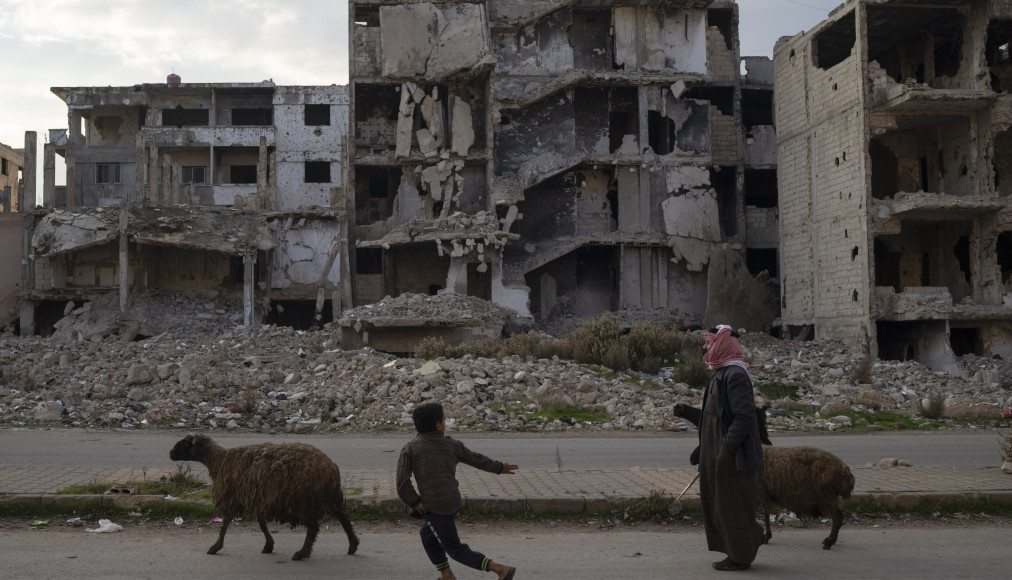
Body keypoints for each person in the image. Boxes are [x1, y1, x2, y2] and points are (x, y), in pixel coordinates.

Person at [397, 402, 518, 580]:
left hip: (434, 507)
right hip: (451, 501)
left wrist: (414, 501)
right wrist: (499, 467)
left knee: (455, 550)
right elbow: (477, 459)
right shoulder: (451, 445)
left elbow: (402, 482)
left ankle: (500, 569)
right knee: (427, 534)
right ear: (438, 425)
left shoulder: (410, 449)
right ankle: (446, 574)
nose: (445, 423)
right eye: (444, 420)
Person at [697, 325, 765, 571]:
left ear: (721, 345)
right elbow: (713, 417)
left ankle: (741, 556)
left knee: (732, 507)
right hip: (715, 453)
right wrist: (702, 448)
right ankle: (740, 545)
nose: (705, 347)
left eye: (709, 342)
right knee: (719, 505)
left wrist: (726, 451)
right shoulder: (720, 374)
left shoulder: (735, 375)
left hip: (733, 457)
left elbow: (744, 417)